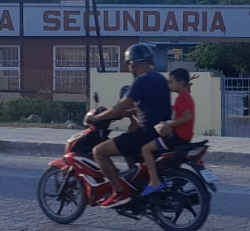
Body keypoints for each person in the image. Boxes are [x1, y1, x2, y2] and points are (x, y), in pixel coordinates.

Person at [84, 44, 170, 208]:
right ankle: (134, 183)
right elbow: (149, 106)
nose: (130, 69)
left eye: (130, 65)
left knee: (99, 151)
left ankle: (119, 192)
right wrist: (130, 113)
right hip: (160, 134)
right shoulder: (160, 79)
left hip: (145, 134)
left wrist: (97, 118)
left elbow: (119, 107)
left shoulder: (141, 81)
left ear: (134, 64)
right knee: (125, 142)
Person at [140, 68, 196, 196]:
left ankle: (154, 181)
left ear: (181, 83)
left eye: (171, 82)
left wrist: (169, 124)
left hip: (177, 138)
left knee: (146, 149)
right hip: (185, 137)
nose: (168, 85)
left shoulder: (181, 99)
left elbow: (187, 117)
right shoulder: (188, 97)